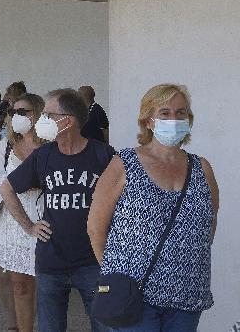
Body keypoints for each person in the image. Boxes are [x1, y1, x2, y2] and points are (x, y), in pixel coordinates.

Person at [87, 84, 219, 331]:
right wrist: (113, 276)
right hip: (135, 294)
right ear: (148, 121)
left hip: (188, 294)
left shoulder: (203, 168)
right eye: (165, 112)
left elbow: (208, 225)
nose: (174, 118)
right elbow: (96, 228)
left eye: (181, 113)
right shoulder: (124, 164)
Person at [1, 88, 115, 332]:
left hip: (93, 262)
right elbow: (7, 188)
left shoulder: (102, 154)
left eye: (49, 115)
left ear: (69, 120)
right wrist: (29, 226)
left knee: (106, 325)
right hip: (51, 261)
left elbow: (123, 200)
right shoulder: (43, 155)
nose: (43, 121)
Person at [0, 93, 46, 332]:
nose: (18, 116)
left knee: (44, 282)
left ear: (38, 113)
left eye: (24, 111)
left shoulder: (53, 144)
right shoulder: (6, 146)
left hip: (45, 220)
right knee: (18, 284)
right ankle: (18, 327)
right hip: (13, 221)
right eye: (14, 111)